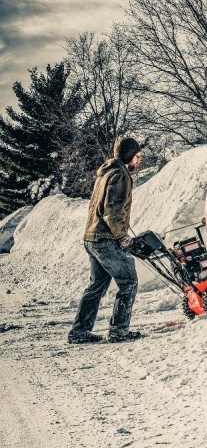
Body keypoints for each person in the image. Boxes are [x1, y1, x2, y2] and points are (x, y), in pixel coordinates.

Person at [68, 137, 142, 344]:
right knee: (128, 282)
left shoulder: (105, 173)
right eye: (137, 156)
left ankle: (79, 332)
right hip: (105, 239)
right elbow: (113, 210)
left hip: (92, 237)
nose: (139, 160)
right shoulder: (120, 175)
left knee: (97, 286)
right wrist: (121, 236)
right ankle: (119, 330)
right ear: (129, 156)